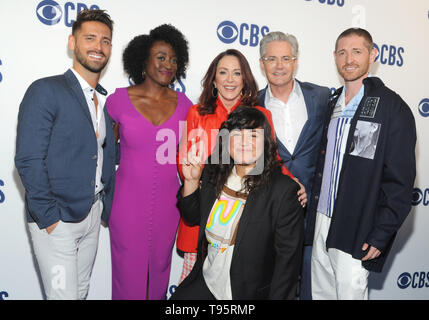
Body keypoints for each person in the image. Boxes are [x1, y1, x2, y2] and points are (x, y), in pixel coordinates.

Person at [176, 49, 307, 283]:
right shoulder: (197, 113)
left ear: (245, 80)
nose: (229, 79)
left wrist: (293, 184)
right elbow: (186, 164)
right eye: (223, 72)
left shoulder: (260, 115)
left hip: (248, 221)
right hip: (204, 214)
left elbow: (271, 160)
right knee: (198, 287)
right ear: (213, 79)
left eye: (236, 73)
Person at [305, 28, 416, 300]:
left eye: (357, 51)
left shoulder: (391, 107)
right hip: (321, 219)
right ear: (334, 56)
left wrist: (381, 233)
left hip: (355, 224)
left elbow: (400, 181)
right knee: (321, 294)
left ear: (373, 55)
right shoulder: (332, 104)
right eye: (342, 52)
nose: (349, 59)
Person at [14, 9, 116, 300]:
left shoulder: (102, 100)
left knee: (79, 293)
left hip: (91, 214)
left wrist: (103, 208)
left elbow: (103, 155)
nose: (98, 46)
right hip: (58, 219)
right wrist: (49, 219)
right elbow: (28, 159)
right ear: (72, 42)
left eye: (106, 41)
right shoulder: (45, 90)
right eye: (90, 38)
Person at [171, 106, 304, 300]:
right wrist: (191, 181)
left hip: (247, 292)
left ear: (265, 142)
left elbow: (287, 266)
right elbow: (192, 218)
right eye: (236, 134)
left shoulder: (283, 190)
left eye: (253, 135)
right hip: (208, 281)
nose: (244, 142)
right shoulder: (214, 171)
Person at [105, 24, 192, 300]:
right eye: (161, 57)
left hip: (168, 206)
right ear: (143, 60)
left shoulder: (186, 105)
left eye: (174, 59)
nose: (169, 64)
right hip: (126, 205)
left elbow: (195, 154)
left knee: (158, 279)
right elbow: (104, 152)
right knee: (127, 280)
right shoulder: (117, 101)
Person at [257, 31, 330, 300]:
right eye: (271, 58)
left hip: (316, 213)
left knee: (314, 288)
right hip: (271, 214)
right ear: (262, 63)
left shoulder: (321, 97)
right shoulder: (252, 105)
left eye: (285, 58)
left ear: (295, 61)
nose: (279, 65)